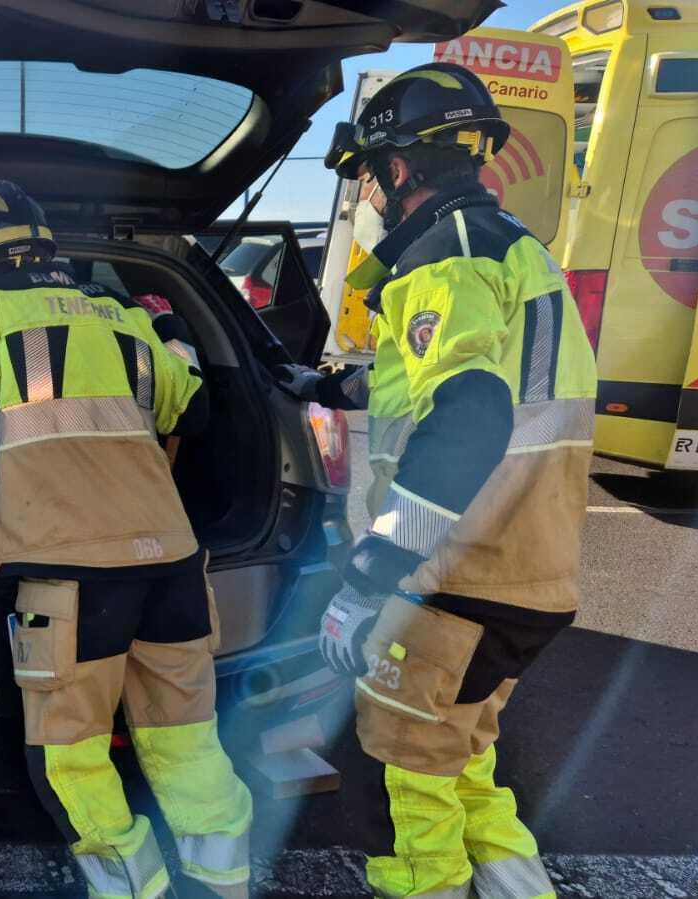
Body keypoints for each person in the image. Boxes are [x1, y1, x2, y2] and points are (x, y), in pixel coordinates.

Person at [279, 62, 597, 899]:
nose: (373, 196)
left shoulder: (440, 258)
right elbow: (452, 388)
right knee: (463, 765)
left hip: (459, 572)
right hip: (530, 568)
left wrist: (372, 574)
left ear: (397, 165)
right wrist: (328, 387)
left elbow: (466, 417)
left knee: (407, 784)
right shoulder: (513, 253)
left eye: (371, 176)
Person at [0, 180, 251, 898]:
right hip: (171, 564)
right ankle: (221, 882)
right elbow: (195, 412)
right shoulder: (121, 312)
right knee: (185, 741)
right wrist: (173, 332)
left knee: (69, 756)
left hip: (68, 573)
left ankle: (133, 889)